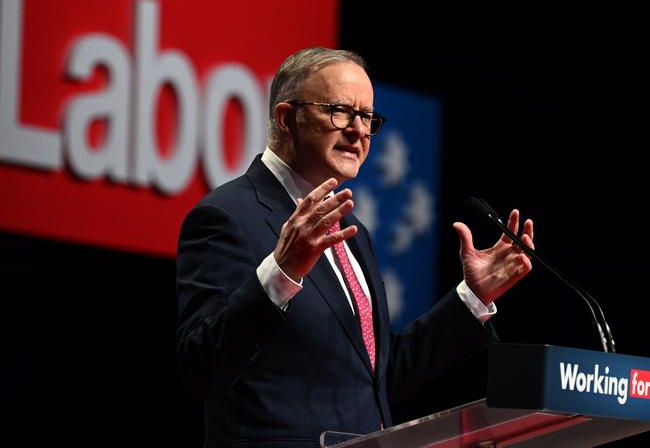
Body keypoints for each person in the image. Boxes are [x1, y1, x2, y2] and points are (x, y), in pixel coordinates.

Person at [175, 47, 535, 448]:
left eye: (367, 117)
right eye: (340, 111)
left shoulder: (353, 231)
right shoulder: (226, 216)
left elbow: (378, 379)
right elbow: (199, 368)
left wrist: (472, 297)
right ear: (286, 117)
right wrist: (281, 271)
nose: (359, 130)